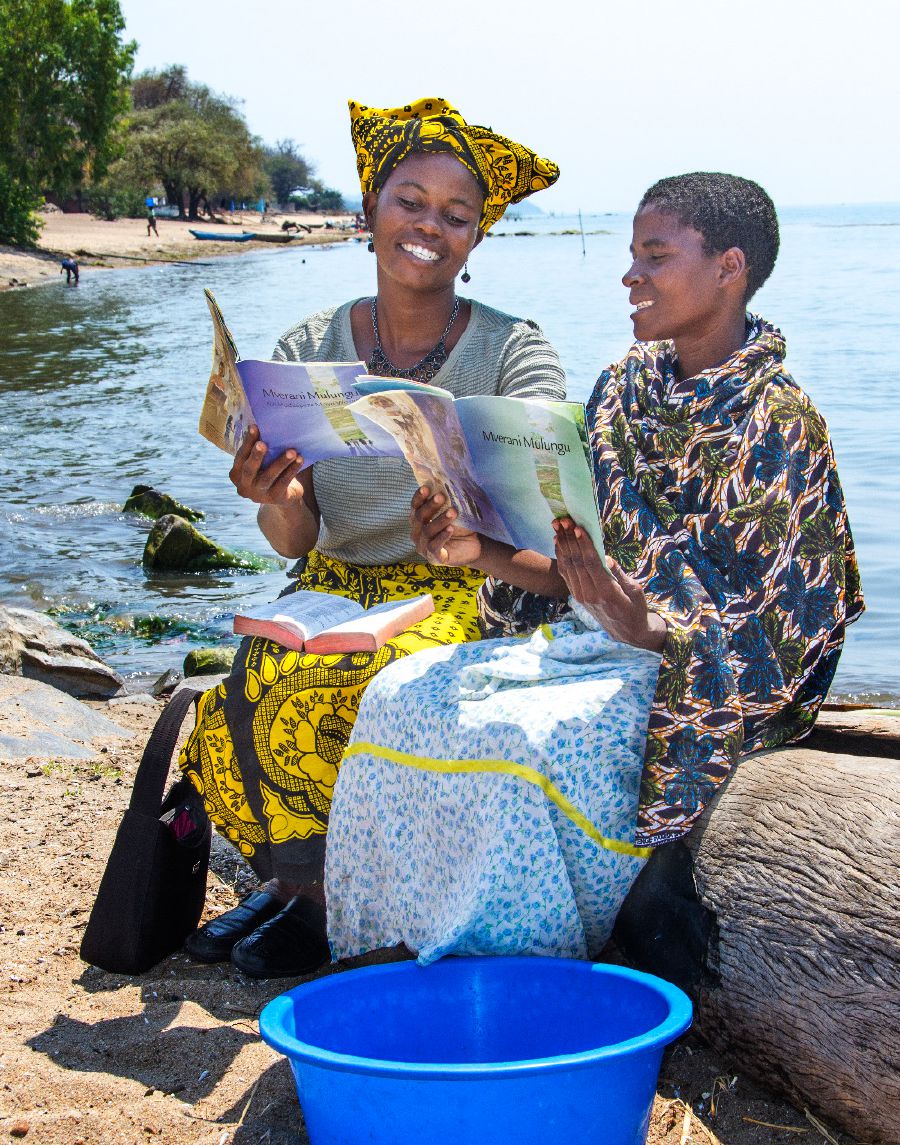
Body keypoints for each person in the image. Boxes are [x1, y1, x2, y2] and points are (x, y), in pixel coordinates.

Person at [325, 172, 865, 965]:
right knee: (399, 697)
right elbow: (574, 569)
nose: (630, 276)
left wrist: (638, 623)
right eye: (630, 254)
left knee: (518, 745)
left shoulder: (780, 421)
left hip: (697, 678)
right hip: (591, 643)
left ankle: (519, 969)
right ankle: (394, 944)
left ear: (729, 268)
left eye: (655, 255)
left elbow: (778, 636)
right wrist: (477, 548)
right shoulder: (622, 388)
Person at [179, 97, 565, 977]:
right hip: (331, 582)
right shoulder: (307, 347)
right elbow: (293, 534)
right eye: (410, 201)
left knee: (353, 678)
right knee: (248, 676)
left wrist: (469, 515)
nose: (429, 225)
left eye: (455, 215)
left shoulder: (514, 350)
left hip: (464, 588)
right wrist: (266, 493)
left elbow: (543, 503)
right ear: (368, 213)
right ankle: (293, 886)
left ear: (474, 240)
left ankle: (317, 902)